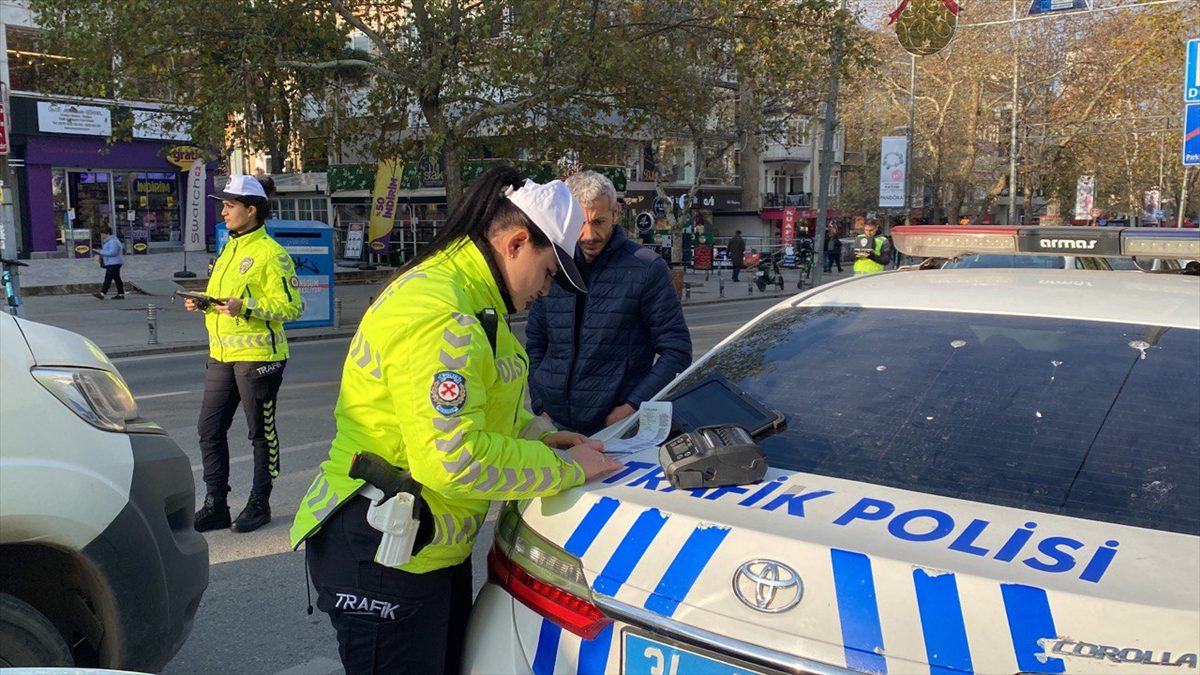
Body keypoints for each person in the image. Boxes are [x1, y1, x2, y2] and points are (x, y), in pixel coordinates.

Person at [289, 166, 620, 675]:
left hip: (424, 542)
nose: (547, 290)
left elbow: (486, 414)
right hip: (383, 551)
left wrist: (543, 436)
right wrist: (569, 468)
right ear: (515, 244)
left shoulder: (477, 303)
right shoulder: (443, 312)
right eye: (550, 272)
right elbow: (455, 458)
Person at [526, 170, 692, 435]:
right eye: (580, 223)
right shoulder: (553, 263)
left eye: (599, 222)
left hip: (614, 426)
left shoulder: (646, 268)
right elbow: (535, 343)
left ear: (615, 213)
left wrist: (630, 407)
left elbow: (677, 351)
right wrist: (540, 404)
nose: (589, 234)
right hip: (552, 423)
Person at [186, 175, 303, 534]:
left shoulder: (272, 254)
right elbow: (225, 303)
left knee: (260, 434)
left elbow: (292, 307)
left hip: (259, 358)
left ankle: (259, 503)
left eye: (229, 206)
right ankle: (216, 503)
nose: (223, 212)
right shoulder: (228, 249)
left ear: (251, 210)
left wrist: (246, 306)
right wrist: (204, 304)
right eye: (223, 205)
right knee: (209, 429)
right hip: (222, 355)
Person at [93, 225, 125, 299]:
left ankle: (102, 293)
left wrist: (100, 252)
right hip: (113, 262)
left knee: (108, 278)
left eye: (102, 234)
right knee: (117, 278)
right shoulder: (110, 241)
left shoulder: (113, 241)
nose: (101, 235)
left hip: (114, 263)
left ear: (107, 233)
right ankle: (120, 293)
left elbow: (113, 252)